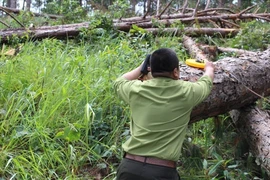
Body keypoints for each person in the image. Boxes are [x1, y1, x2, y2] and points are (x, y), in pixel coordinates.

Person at [113, 48, 215, 180]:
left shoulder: (136, 89)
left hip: (129, 168)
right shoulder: (187, 92)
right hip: (161, 172)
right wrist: (209, 69)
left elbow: (119, 82)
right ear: (175, 72)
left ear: (151, 70)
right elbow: (206, 83)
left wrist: (141, 68)